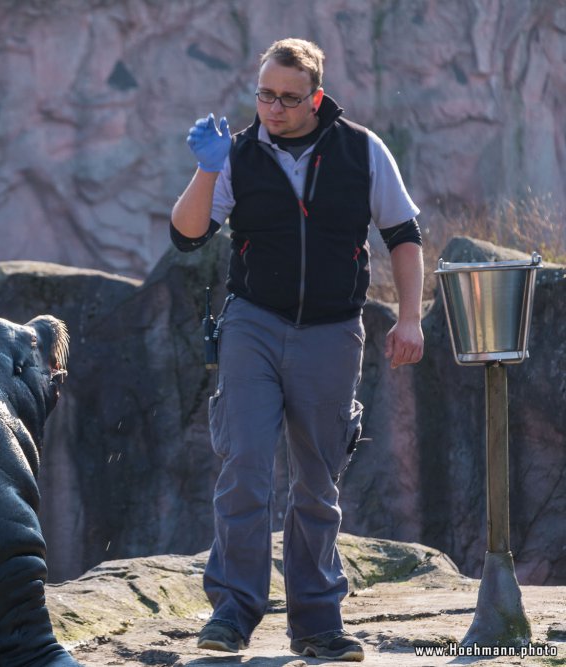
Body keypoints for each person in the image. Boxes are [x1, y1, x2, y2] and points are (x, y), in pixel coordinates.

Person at [170, 38, 424, 662]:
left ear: (315, 96)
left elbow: (404, 233)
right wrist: (207, 168)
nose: (273, 109)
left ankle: (316, 622)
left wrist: (411, 318)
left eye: (287, 98)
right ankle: (232, 612)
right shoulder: (237, 154)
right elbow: (187, 234)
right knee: (246, 468)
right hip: (253, 324)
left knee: (317, 483)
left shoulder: (362, 150)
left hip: (333, 332)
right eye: (264, 95)